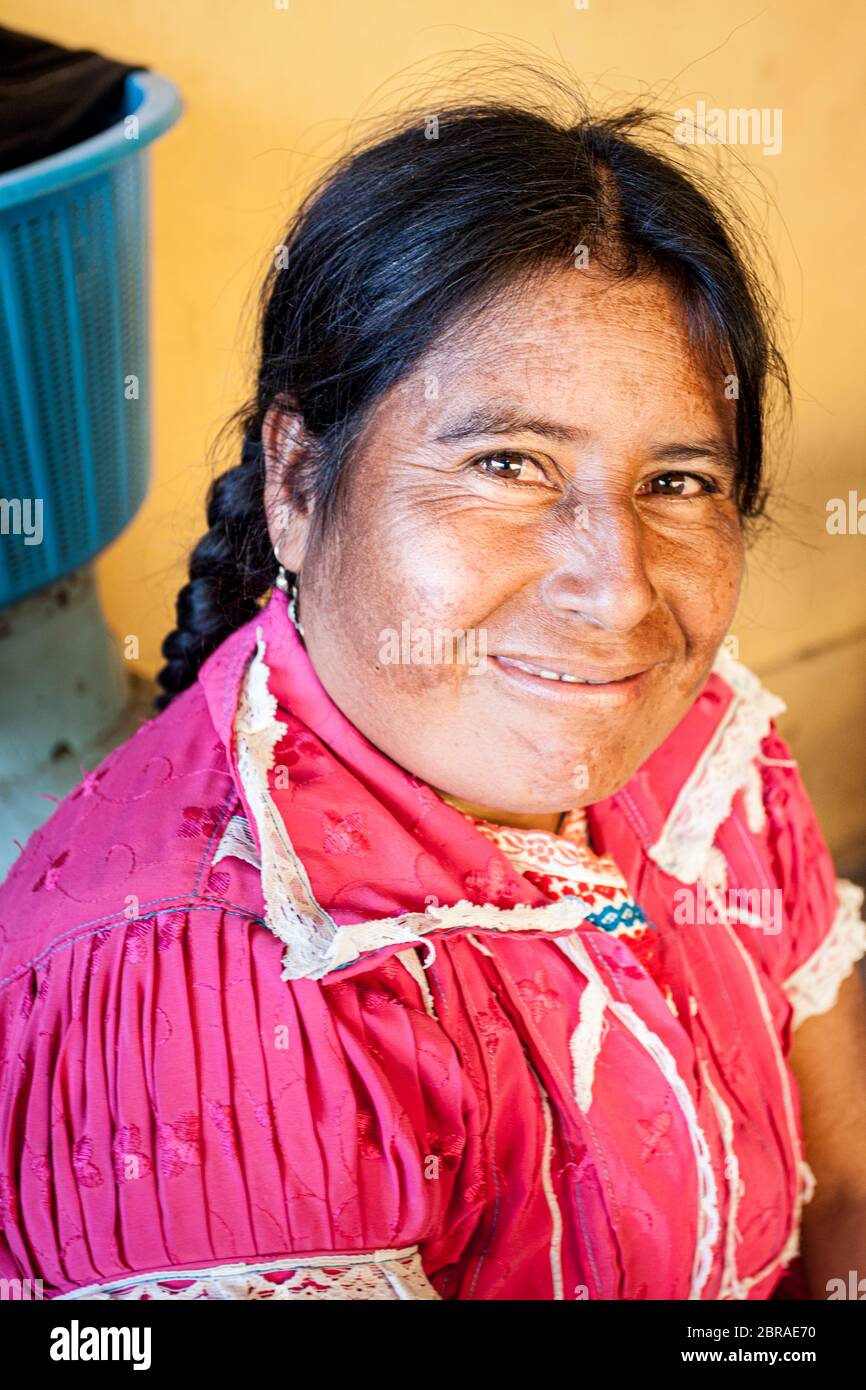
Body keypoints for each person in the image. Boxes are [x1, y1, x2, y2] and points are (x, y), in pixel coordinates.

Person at [2, 92, 865, 1302]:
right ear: (298, 482)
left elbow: (847, 1180)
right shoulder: (207, 1007)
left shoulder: (695, 745)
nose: (618, 596)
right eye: (506, 465)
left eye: (675, 480)